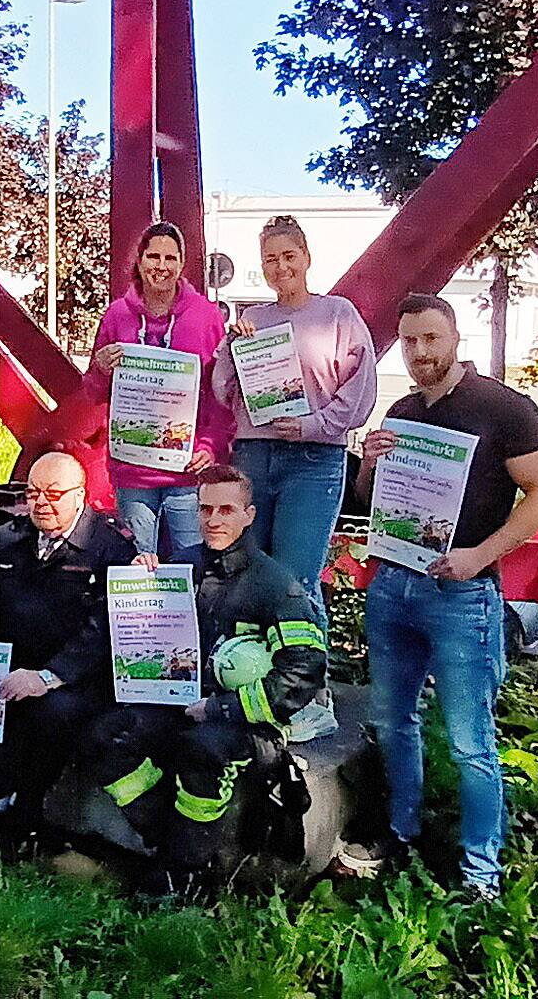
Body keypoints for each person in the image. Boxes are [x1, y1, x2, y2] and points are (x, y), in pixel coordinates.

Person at [337, 293, 538, 899]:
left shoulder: (504, 408)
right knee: (392, 720)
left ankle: (481, 876)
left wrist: (479, 557)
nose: (420, 353)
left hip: (461, 594)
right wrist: (369, 467)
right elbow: (368, 501)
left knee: (470, 742)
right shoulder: (404, 410)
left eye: (431, 339)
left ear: (455, 337)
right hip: (394, 584)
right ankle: (400, 832)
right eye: (409, 342)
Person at [81, 465, 327, 896]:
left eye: (226, 510)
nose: (214, 519)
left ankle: (187, 872)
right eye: (205, 509)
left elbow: (301, 674)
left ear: (249, 515)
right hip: (179, 701)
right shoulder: (183, 565)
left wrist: (220, 709)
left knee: (200, 750)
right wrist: (145, 580)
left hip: (247, 721)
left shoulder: (277, 586)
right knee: (106, 736)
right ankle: (170, 848)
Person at [0, 451, 135, 851]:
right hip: (7, 663)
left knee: (52, 713)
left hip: (72, 676)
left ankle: (25, 811)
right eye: (33, 493)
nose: (42, 503)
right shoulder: (8, 538)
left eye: (53, 494)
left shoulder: (110, 549)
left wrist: (48, 677)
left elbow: (104, 630)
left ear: (80, 495)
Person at [211, 215, 375, 741]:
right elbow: (223, 391)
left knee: (297, 576)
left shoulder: (338, 315)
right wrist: (231, 350)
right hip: (256, 456)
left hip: (313, 459)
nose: (280, 267)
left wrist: (313, 424)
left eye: (289, 256)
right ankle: (253, 681)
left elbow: (361, 390)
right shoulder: (251, 320)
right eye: (270, 259)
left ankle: (309, 694)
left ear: (306, 257)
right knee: (250, 572)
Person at [89, 221, 233, 559]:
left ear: (182, 264)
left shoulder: (206, 317)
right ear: (139, 262)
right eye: (153, 256)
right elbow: (94, 392)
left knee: (192, 565)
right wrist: (100, 368)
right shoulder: (116, 316)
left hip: (186, 471)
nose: (161, 266)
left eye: (170, 258)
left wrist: (210, 446)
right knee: (137, 569)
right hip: (133, 472)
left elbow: (221, 392)